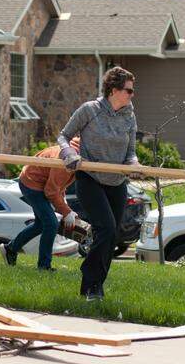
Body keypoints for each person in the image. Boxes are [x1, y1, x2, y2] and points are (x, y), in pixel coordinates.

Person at [59, 66, 140, 301]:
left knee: (112, 234)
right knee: (105, 227)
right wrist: (69, 154)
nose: (132, 95)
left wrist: (133, 165)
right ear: (113, 90)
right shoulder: (90, 110)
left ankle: (95, 285)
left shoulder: (129, 115)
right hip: (90, 177)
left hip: (116, 181)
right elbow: (63, 136)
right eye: (129, 91)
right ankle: (91, 282)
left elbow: (131, 151)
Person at [0, 138, 80, 270]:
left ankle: (10, 248)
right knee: (51, 223)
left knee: (40, 225)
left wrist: (64, 202)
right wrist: (66, 212)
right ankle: (44, 266)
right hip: (31, 184)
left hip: (37, 183)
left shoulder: (70, 153)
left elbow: (58, 184)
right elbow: (51, 191)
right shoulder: (67, 160)